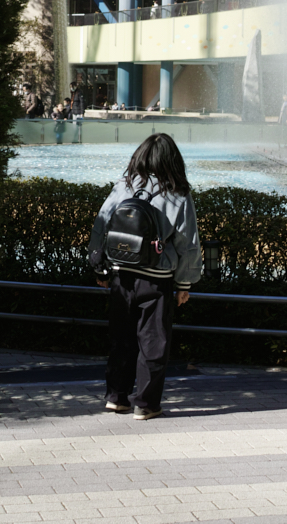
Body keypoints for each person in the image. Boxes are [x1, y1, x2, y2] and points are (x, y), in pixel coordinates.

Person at [88, 134, 201, 420]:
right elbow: (187, 244)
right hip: (156, 279)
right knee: (153, 342)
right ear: (173, 160)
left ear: (140, 156)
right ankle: (146, 404)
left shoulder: (124, 186)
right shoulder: (178, 193)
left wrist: (99, 266)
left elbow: (101, 225)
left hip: (120, 275)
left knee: (121, 339)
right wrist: (184, 284)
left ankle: (117, 398)